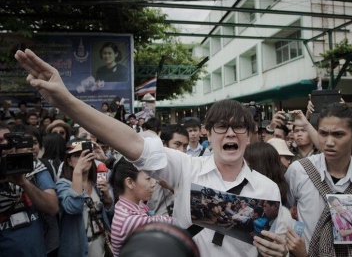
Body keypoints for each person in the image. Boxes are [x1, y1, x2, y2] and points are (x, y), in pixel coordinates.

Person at [16, 49, 285, 257]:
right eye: (221, 126)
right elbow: (132, 143)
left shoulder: (269, 190)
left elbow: (274, 246)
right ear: (208, 134)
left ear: (248, 136)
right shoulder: (185, 169)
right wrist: (67, 100)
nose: (229, 133)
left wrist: (279, 250)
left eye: (238, 127)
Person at [285, 103, 352, 256]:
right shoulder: (299, 171)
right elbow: (286, 211)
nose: (329, 142)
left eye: (338, 134)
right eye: (323, 133)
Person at [0, 123, 59, 257]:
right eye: (0, 141)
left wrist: (23, 182)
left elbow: (52, 208)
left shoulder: (34, 167)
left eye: (7, 139)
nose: (5, 145)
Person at [56, 139, 113, 257]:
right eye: (77, 156)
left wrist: (107, 199)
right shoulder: (63, 184)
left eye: (86, 155)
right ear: (69, 161)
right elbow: (73, 207)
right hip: (78, 251)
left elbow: (109, 214)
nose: (83, 159)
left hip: (100, 248)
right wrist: (77, 172)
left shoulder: (96, 183)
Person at [110, 158, 174, 257]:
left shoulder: (126, 205)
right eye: (148, 178)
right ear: (130, 182)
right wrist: (173, 188)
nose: (154, 183)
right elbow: (175, 223)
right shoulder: (129, 220)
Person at [147, 124, 189, 216]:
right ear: (163, 144)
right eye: (177, 144)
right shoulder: (147, 172)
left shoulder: (189, 171)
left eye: (185, 146)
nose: (182, 151)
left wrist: (171, 188)